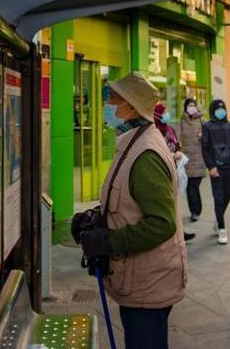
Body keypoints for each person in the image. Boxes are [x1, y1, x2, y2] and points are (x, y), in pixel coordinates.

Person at [74, 72, 187, 349]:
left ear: (131, 107)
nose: (107, 105)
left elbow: (162, 223)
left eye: (113, 99)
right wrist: (98, 217)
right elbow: (127, 197)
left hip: (149, 284)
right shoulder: (133, 143)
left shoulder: (145, 154)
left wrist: (109, 241)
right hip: (141, 280)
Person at [154, 103, 194, 242]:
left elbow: (176, 144)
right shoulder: (154, 132)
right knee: (166, 204)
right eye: (164, 112)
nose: (167, 114)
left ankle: (179, 231)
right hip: (161, 171)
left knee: (174, 202)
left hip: (173, 170)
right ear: (157, 115)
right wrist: (171, 156)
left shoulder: (170, 129)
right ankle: (173, 232)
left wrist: (178, 152)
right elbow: (156, 152)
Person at [201, 99, 230, 245]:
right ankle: (222, 229)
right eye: (218, 109)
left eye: (223, 108)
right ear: (213, 110)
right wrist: (211, 166)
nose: (221, 111)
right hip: (216, 169)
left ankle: (218, 220)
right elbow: (205, 148)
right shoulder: (207, 126)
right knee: (219, 198)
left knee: (227, 197)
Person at [176, 97, 207, 223]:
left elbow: (209, 137)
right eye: (189, 105)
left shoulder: (202, 120)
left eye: (193, 105)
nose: (192, 108)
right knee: (190, 187)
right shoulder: (182, 122)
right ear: (185, 108)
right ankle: (195, 211)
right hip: (187, 160)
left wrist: (203, 137)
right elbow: (176, 139)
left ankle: (196, 210)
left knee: (194, 185)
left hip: (199, 159)